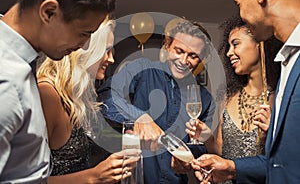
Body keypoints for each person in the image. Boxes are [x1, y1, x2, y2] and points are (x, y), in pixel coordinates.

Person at [0, 0, 116, 183]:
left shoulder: (24, 65)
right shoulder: (7, 82)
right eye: (84, 33)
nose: (86, 46)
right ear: (49, 12)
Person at [191, 0, 300, 183]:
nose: (229, 53)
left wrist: (272, 136)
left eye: (238, 3)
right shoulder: (288, 63)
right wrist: (230, 166)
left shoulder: (279, 86)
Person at [97, 19, 216, 184]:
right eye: (179, 51)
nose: (183, 60)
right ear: (167, 47)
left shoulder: (205, 99)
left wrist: (187, 160)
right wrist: (139, 117)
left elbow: (201, 147)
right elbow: (106, 95)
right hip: (135, 178)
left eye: (193, 56)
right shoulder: (142, 69)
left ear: (202, 58)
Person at [181, 15, 282, 184]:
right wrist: (207, 138)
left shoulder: (281, 97)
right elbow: (221, 149)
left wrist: (270, 136)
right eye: (228, 46)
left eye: (235, 44)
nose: (228, 53)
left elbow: (286, 161)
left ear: (259, 43)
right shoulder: (226, 97)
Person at [37, 19, 140, 183]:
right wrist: (95, 176)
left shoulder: (81, 94)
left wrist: (127, 139)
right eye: (106, 51)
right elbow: (25, 180)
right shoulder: (47, 94)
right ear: (87, 49)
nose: (111, 59)